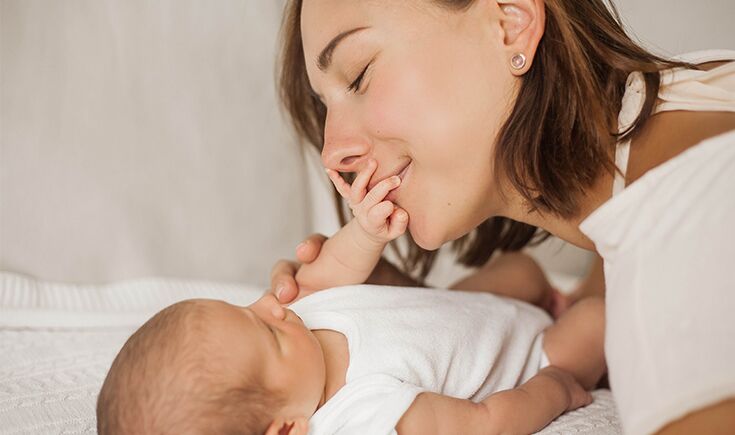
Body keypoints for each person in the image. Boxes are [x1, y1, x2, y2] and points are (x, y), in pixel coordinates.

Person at [273, 0, 735, 434]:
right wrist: (413, 319)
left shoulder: (684, 234)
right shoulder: (665, 154)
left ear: (511, 24)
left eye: (358, 75)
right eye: (323, 106)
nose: (335, 153)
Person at [96, 163, 605, 434]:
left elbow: (335, 266)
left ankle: (554, 293)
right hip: (526, 357)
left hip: (468, 310)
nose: (272, 306)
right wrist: (553, 389)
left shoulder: (297, 319)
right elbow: (482, 425)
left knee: (521, 269)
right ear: (286, 430)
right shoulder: (364, 415)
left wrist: (366, 231)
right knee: (596, 323)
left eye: (246, 309)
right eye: (269, 333)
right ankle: (577, 328)